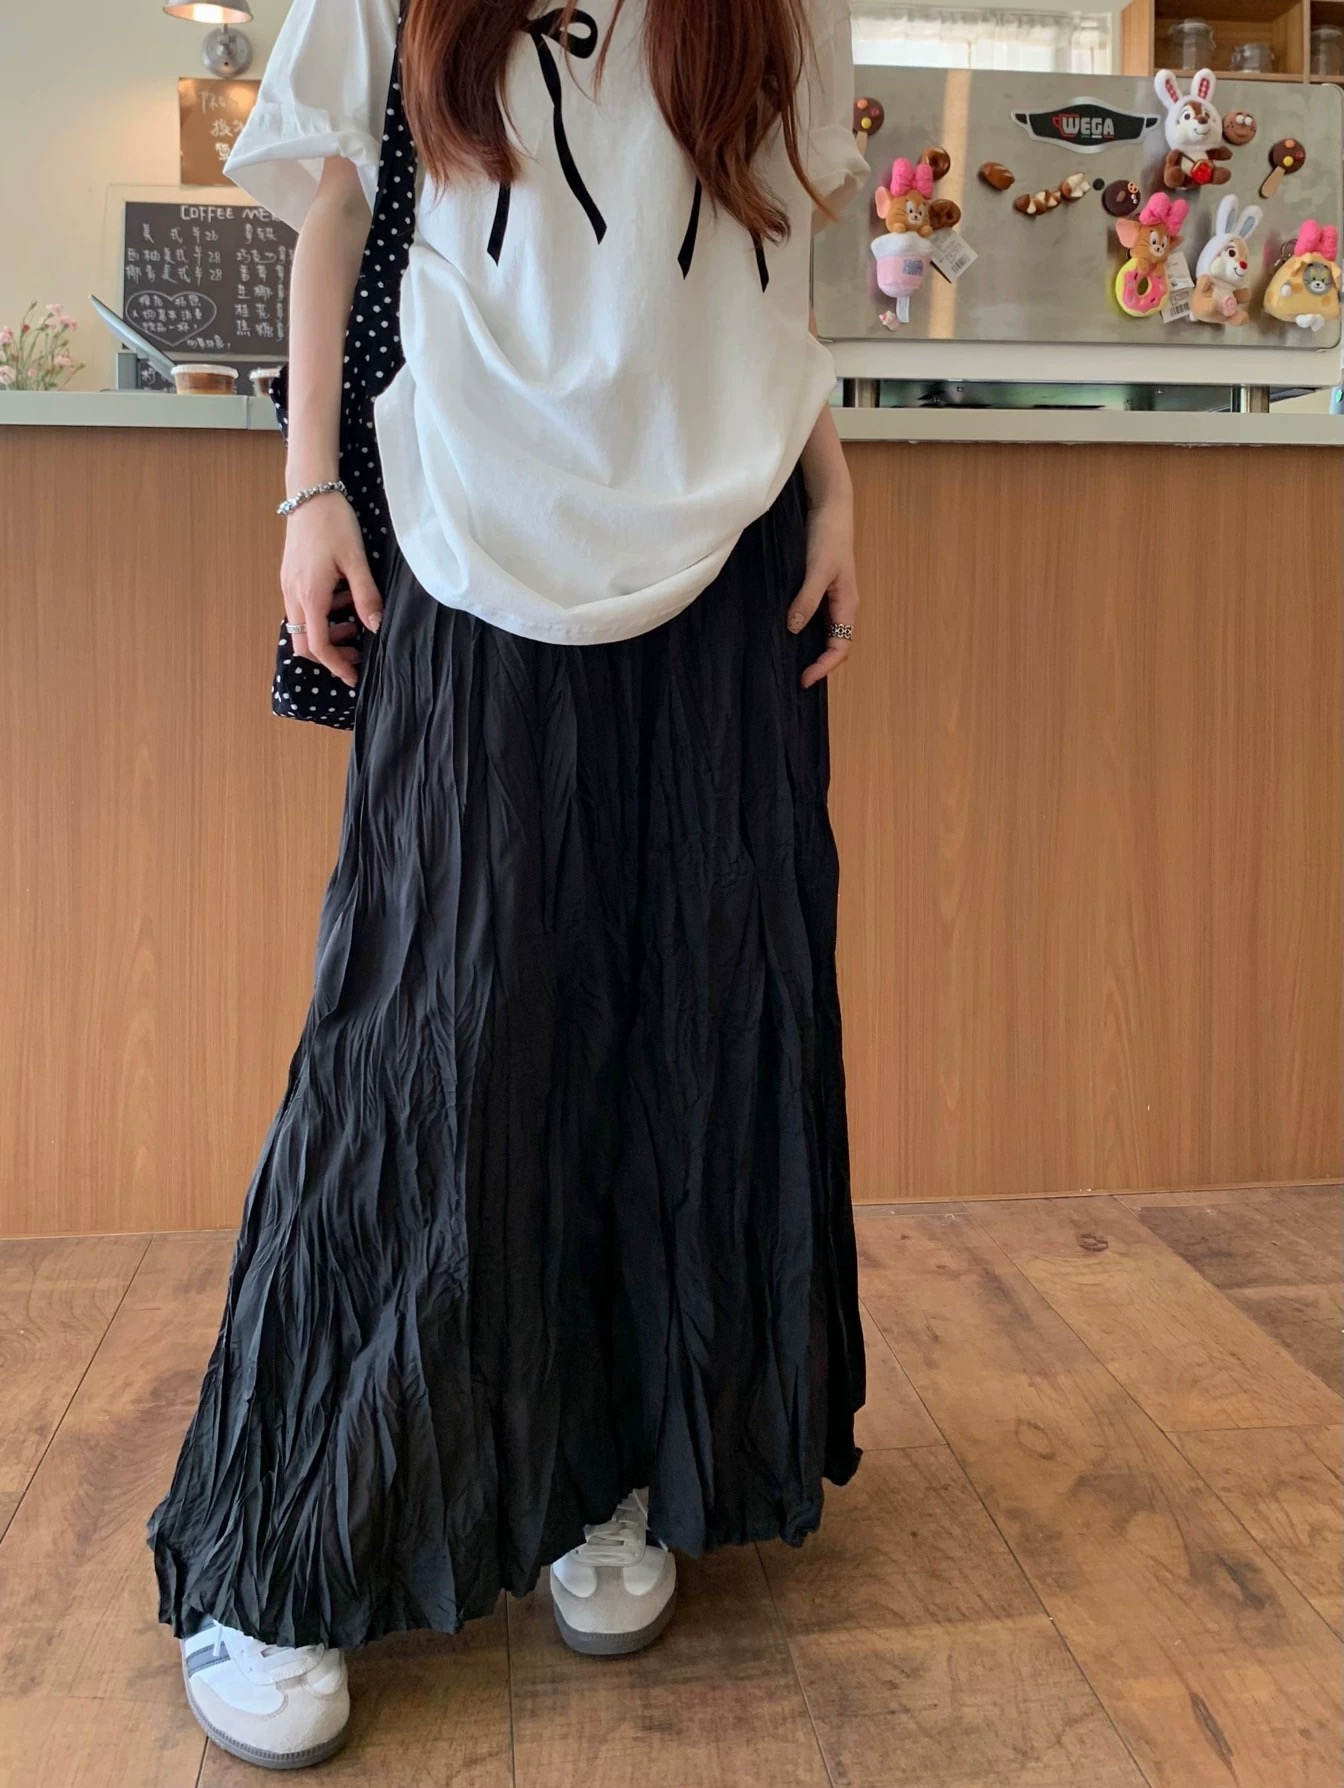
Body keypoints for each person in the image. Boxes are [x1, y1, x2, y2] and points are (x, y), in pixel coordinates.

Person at [147, 0, 869, 1770]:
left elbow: (774, 254)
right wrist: (308, 490)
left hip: (726, 542)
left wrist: (836, 482)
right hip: (471, 530)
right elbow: (336, 204)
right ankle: (279, 1551)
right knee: (429, 1037)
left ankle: (601, 1466)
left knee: (687, 1005)